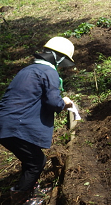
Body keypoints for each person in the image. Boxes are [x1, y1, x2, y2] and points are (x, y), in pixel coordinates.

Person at [0, 37, 76, 205]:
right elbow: (53, 102)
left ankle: (30, 189)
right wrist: (65, 102)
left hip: (7, 123)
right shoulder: (49, 72)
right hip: (17, 125)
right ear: (58, 57)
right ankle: (21, 199)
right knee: (36, 162)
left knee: (31, 159)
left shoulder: (28, 70)